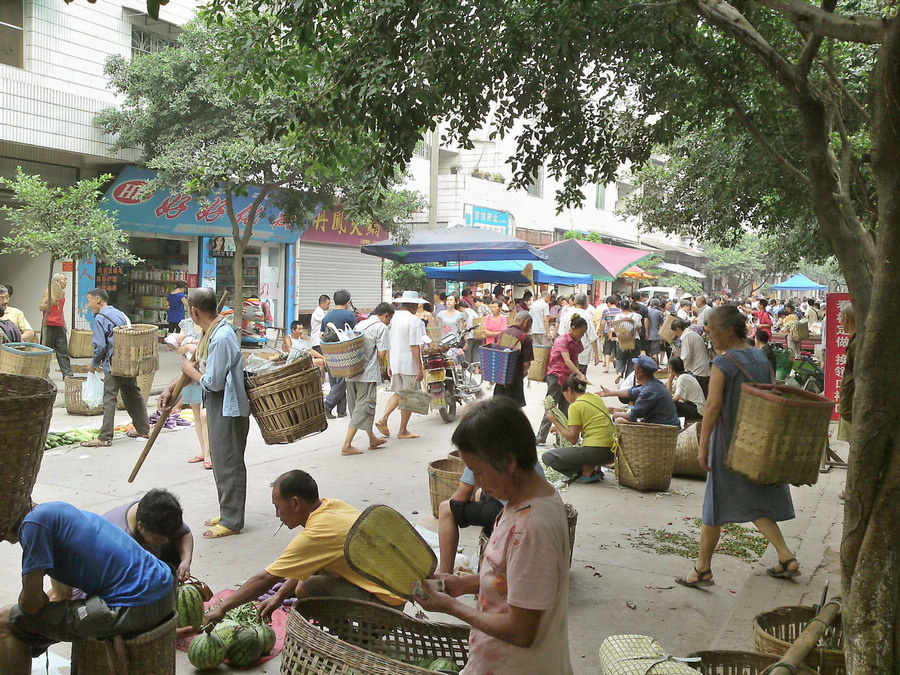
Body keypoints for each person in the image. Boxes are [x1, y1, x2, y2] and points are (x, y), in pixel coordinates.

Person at [415, 398, 574, 674]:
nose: (476, 482)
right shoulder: (529, 498)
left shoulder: (531, 529)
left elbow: (521, 631)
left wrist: (452, 607)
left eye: (478, 471)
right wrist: (462, 584)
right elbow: (514, 578)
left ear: (509, 461)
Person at [675, 304, 799, 588]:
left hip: (728, 443)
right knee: (752, 499)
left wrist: (703, 445)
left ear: (729, 330)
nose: (710, 336)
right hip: (757, 441)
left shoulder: (723, 363)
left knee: (715, 505)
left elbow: (713, 407)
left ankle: (703, 569)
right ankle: (784, 556)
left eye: (713, 330)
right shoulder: (759, 356)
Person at [203, 470, 404, 627]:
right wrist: (279, 596)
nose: (277, 514)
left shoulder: (316, 534)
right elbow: (307, 561)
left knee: (305, 588)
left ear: (296, 503)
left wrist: (223, 609)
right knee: (312, 572)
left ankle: (353, 639)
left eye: (277, 506)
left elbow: (264, 579)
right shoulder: (331, 505)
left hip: (386, 605)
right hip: (398, 587)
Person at [0, 502, 174, 674]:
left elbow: (31, 605)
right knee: (43, 619)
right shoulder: (56, 511)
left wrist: (32, 599)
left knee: (7, 619)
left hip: (132, 606)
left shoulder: (32, 526)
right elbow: (63, 594)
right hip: (166, 588)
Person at [161, 287, 250, 539]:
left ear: (194, 310)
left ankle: (233, 520)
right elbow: (199, 366)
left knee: (229, 462)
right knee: (221, 462)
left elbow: (214, 382)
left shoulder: (221, 337)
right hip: (217, 404)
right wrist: (171, 389)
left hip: (228, 406)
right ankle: (227, 512)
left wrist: (190, 372)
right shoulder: (209, 334)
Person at [80, 289, 151, 448]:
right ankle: (143, 429)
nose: (88, 304)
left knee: (109, 398)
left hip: (112, 363)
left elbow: (100, 345)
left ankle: (104, 437)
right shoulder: (120, 314)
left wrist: (93, 363)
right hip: (127, 361)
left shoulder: (100, 318)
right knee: (133, 393)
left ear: (98, 300)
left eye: (89, 300)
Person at [102, 489, 193, 582]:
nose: (165, 541)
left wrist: (185, 560)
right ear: (140, 526)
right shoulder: (119, 540)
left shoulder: (154, 511)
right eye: (158, 538)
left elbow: (184, 533)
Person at [542, 375, 615, 483]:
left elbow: (573, 439)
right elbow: (589, 424)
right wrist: (561, 430)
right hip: (611, 452)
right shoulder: (595, 398)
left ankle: (586, 470)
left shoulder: (575, 406)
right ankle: (593, 467)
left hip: (596, 451)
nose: (566, 398)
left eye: (564, 395)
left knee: (548, 457)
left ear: (569, 390)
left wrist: (555, 421)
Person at [342, 302, 393, 456]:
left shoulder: (360, 324)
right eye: (389, 319)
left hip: (351, 371)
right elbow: (382, 353)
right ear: (385, 315)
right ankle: (347, 445)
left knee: (357, 406)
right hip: (367, 373)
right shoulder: (381, 328)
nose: (389, 322)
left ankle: (372, 438)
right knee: (364, 407)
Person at [376, 290, 426, 440]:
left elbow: (389, 342)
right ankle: (402, 430)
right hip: (409, 363)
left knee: (399, 393)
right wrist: (419, 367)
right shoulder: (414, 320)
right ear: (414, 305)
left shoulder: (393, 317)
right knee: (408, 396)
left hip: (396, 362)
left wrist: (390, 363)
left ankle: (384, 418)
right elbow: (414, 346)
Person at [535, 315, 588, 446]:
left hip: (568, 378)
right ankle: (541, 436)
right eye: (581, 332)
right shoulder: (562, 340)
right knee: (551, 407)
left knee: (566, 408)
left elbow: (575, 359)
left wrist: (576, 375)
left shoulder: (577, 342)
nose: (582, 335)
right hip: (556, 376)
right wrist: (579, 373)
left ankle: (562, 438)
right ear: (573, 328)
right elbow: (567, 360)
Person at [599, 355, 681, 427]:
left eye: (635, 371)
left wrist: (616, 414)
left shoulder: (649, 390)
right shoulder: (653, 383)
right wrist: (610, 393)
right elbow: (631, 392)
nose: (634, 373)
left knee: (619, 420)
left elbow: (633, 416)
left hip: (663, 428)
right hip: (663, 423)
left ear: (640, 373)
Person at [321, 289, 357, 419]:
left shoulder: (327, 316)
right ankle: (327, 405)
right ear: (347, 302)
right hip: (344, 353)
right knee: (342, 382)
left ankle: (341, 410)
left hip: (330, 352)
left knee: (335, 382)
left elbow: (321, 335)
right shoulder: (349, 315)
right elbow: (354, 333)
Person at [493, 311, 534, 406]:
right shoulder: (525, 338)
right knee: (513, 411)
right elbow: (526, 364)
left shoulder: (500, 335)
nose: (529, 329)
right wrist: (524, 371)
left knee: (497, 408)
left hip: (499, 380)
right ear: (526, 322)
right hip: (515, 382)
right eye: (529, 326)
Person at [37, 274, 74, 378]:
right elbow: (41, 307)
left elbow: (60, 310)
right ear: (57, 281)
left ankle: (68, 375)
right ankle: (42, 374)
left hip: (59, 325)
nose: (66, 282)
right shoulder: (48, 291)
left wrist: (64, 324)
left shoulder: (63, 293)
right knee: (45, 352)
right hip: (48, 325)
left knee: (63, 352)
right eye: (64, 279)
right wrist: (51, 303)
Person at [559, 294, 599, 376]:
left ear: (575, 302)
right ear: (586, 303)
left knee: (568, 379)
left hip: (567, 354)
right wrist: (596, 355)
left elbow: (560, 334)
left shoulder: (566, 315)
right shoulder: (587, 316)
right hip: (582, 355)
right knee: (580, 380)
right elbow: (592, 337)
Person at [672, 318, 711, 395]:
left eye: (675, 332)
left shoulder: (687, 336)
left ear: (677, 329)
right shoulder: (691, 334)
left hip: (698, 372)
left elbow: (686, 357)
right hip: (702, 371)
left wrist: (676, 369)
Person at [667, 356, 706, 424]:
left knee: (671, 404)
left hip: (697, 410)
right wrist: (671, 377)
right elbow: (669, 392)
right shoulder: (684, 375)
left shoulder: (682, 378)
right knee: (669, 401)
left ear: (671, 368)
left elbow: (675, 398)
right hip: (694, 407)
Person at [612, 300, 642, 382]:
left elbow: (616, 329)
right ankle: (628, 380)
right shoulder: (636, 316)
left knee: (620, 358)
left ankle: (620, 372)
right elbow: (639, 328)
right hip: (634, 340)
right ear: (629, 306)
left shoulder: (618, 316)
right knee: (633, 360)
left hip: (621, 341)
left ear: (620, 307)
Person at [597, 295, 621, 374]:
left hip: (609, 333)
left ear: (608, 303)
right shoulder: (620, 311)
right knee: (616, 350)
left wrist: (600, 332)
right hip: (618, 333)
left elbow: (603, 323)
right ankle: (617, 367)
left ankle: (607, 367)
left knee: (607, 350)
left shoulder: (606, 311)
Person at [647, 298, 665, 364]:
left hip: (647, 335)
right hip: (655, 335)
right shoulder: (659, 313)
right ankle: (655, 365)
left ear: (651, 304)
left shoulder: (647, 311)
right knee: (655, 351)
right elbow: (662, 324)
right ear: (658, 304)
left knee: (648, 352)